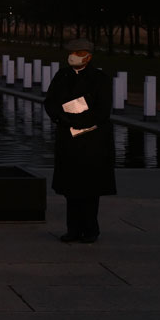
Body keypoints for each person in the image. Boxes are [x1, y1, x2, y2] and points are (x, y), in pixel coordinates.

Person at [44, 38, 116, 243]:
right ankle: (73, 229)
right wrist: (61, 117)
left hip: (91, 141)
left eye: (78, 52)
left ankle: (90, 229)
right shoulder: (62, 75)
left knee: (89, 188)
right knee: (70, 188)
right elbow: (50, 102)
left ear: (88, 56)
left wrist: (76, 120)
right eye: (71, 52)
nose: (73, 56)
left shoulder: (100, 79)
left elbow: (102, 111)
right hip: (68, 139)